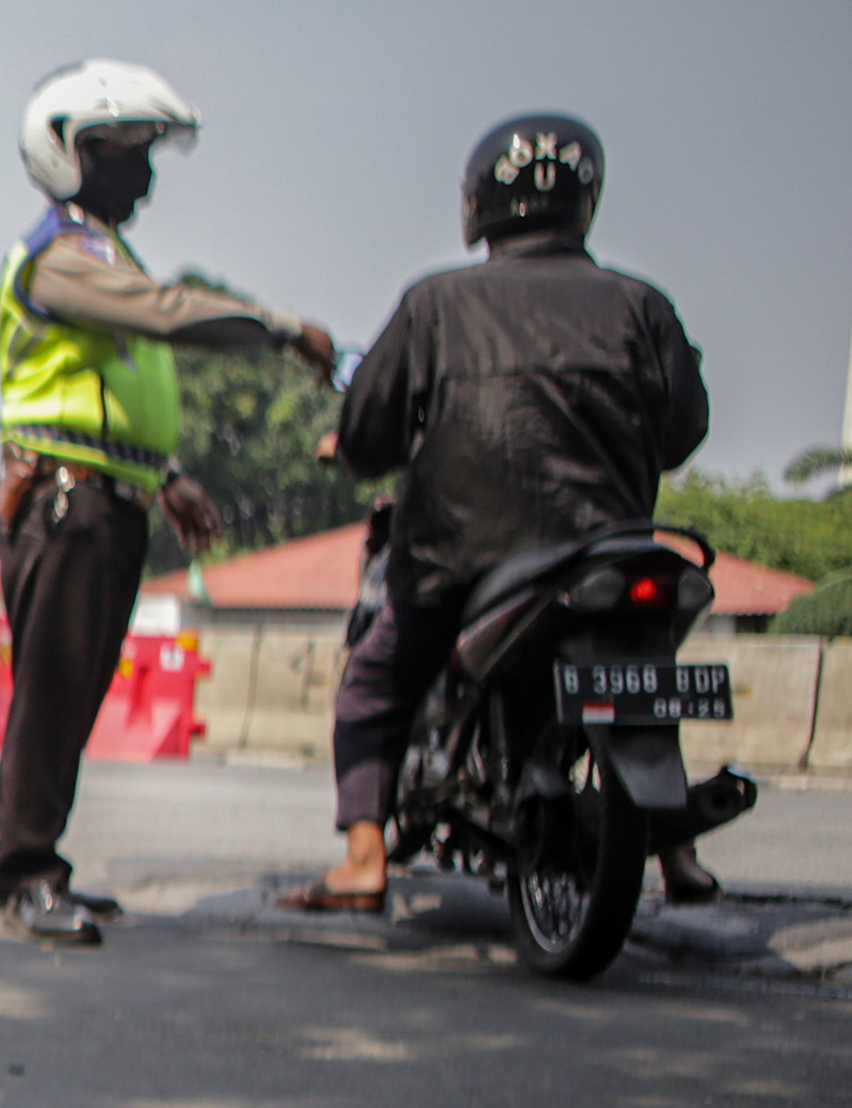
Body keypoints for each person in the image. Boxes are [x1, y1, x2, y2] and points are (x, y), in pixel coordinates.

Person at [285, 115, 713, 912]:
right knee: (637, 673)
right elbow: (685, 430)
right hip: (609, 551)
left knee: (374, 683)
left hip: (460, 557)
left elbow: (372, 433)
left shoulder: (436, 304)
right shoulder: (641, 306)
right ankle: (679, 858)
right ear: (586, 202)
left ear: (478, 203)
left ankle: (364, 856)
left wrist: (346, 449)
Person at [0, 62, 333, 942]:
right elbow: (164, 317)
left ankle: (16, 863)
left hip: (107, 494)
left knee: (73, 694)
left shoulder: (104, 251)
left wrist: (165, 473)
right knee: (53, 694)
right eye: (124, 152)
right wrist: (281, 330)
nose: (142, 174)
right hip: (63, 500)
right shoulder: (60, 255)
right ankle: (26, 870)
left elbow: (116, 385)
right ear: (66, 152)